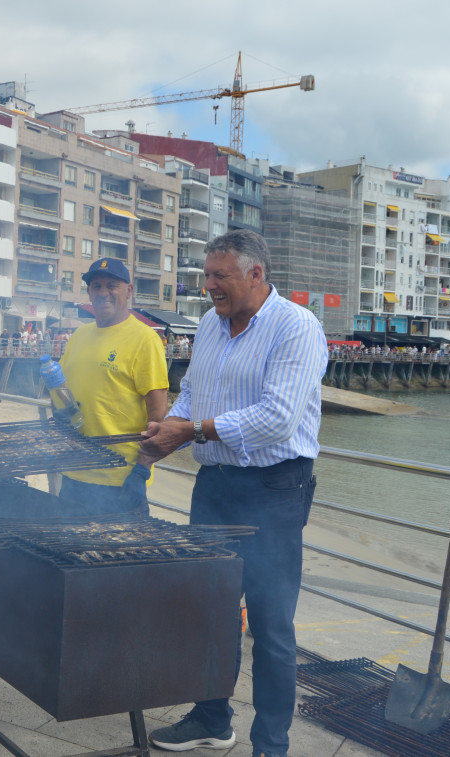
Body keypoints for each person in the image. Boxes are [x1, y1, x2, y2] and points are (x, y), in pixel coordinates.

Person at [138, 230, 327, 757]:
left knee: (270, 626)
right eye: (208, 274)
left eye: (221, 275)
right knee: (210, 611)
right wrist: (164, 437)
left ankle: (271, 745)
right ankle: (212, 719)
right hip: (215, 486)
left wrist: (191, 431)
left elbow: (278, 418)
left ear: (256, 275)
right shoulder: (209, 324)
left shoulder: (297, 327)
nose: (210, 286)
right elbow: (194, 394)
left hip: (273, 489)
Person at [58, 258, 168, 516]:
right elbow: (62, 391)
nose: (103, 293)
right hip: (73, 473)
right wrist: (59, 410)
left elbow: (158, 416)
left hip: (118, 480)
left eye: (112, 286)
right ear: (88, 292)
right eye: (96, 286)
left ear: (129, 290)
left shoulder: (145, 339)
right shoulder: (79, 336)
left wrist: (142, 470)